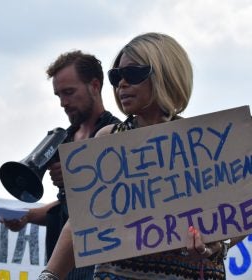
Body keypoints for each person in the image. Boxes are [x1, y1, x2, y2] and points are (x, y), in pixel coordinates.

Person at [37, 32, 247, 280]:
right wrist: (49, 276)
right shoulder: (108, 139)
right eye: (116, 76)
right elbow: (82, 221)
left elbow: (240, 207)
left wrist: (218, 245)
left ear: (165, 75)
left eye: (133, 74)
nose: (121, 84)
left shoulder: (207, 143)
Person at [1, 50, 120, 279]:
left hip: (98, 268)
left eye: (69, 92)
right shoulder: (62, 139)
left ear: (95, 86)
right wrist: (26, 216)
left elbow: (118, 202)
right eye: (58, 95)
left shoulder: (116, 134)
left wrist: (79, 180)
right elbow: (66, 207)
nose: (63, 103)